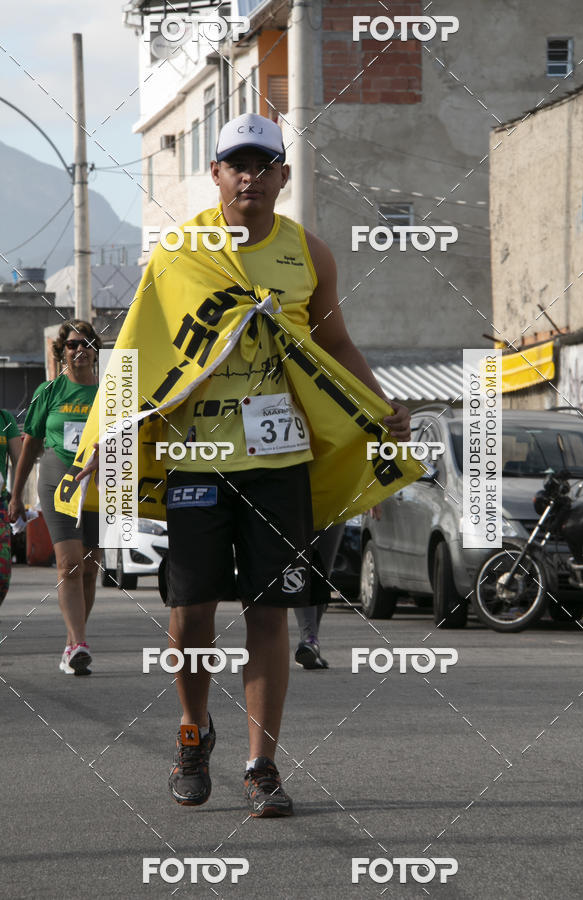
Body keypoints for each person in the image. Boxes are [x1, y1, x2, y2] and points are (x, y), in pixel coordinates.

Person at [75, 112, 411, 816]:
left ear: (283, 176)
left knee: (271, 609)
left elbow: (339, 344)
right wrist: (108, 432)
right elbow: (138, 347)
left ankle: (263, 766)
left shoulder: (310, 255)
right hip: (197, 463)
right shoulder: (178, 251)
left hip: (279, 460)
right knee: (190, 610)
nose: (251, 177)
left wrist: (382, 407)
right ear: (217, 174)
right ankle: (193, 734)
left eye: (265, 165)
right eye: (238, 164)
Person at [9, 321, 102, 675]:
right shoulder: (49, 391)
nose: (80, 350)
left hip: (98, 480)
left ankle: (72, 643)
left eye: (87, 344)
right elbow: (30, 446)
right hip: (58, 475)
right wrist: (16, 495)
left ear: (95, 351)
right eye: (73, 345)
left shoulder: (111, 391)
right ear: (62, 351)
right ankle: (79, 643)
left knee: (91, 566)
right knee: (69, 563)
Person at [293, 524, 344, 669]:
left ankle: (311, 643)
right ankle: (309, 639)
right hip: (299, 505)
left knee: (323, 572)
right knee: (303, 567)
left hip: (334, 507)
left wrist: (369, 500)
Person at [0, 408, 22, 605]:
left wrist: (17, 497)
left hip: (0, 506)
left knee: (2, 574)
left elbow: (19, 461)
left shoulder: (5, 419)